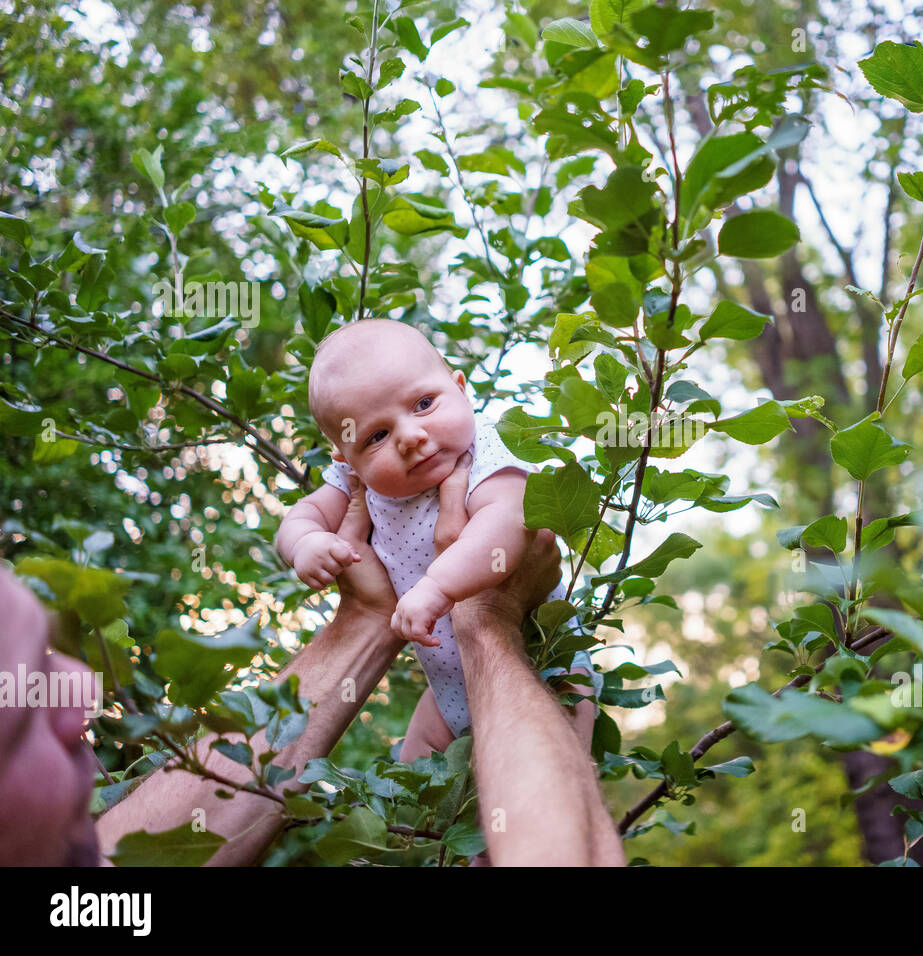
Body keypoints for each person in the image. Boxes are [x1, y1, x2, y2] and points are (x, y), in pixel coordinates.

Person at [0, 471, 624, 866]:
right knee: (427, 768)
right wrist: (487, 619)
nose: (77, 686)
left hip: (463, 651)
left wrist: (368, 613)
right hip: (465, 660)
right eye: (19, 719)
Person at [275, 318, 594, 750]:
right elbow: (301, 516)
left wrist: (438, 586)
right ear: (346, 458)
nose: (410, 436)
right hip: (448, 690)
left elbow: (505, 525)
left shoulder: (487, 447)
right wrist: (305, 543)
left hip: (545, 662)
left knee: (556, 756)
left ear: (460, 388)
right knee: (418, 773)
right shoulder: (357, 480)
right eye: (377, 436)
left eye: (424, 403)